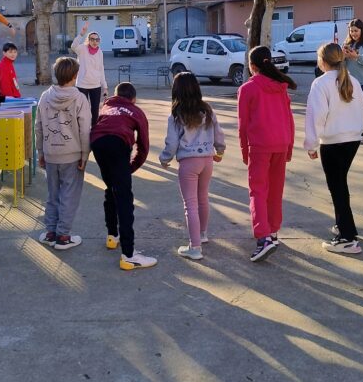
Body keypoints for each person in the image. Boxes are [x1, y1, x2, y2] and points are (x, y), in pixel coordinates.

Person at [304, 43, 363, 255]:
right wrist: (358, 131)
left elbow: (316, 117)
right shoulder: (352, 80)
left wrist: (311, 144)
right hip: (352, 140)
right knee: (340, 184)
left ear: (323, 61)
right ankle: (345, 226)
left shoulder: (321, 83)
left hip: (332, 142)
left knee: (337, 187)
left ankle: (347, 238)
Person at [238, 46, 296, 263]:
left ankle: (263, 238)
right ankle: (272, 232)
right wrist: (289, 147)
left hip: (260, 145)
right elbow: (289, 119)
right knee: (275, 190)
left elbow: (243, 125)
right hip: (281, 142)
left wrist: (245, 151)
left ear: (252, 66)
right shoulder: (281, 87)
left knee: (258, 191)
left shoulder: (247, 89)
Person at [159, 72, 225, 262]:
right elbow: (218, 134)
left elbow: (172, 142)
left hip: (188, 162)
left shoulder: (176, 114)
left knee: (190, 204)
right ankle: (202, 234)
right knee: (203, 198)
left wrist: (165, 158)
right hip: (207, 160)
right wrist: (220, 151)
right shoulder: (207, 110)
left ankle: (194, 247)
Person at [90, 82, 154, 270]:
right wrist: (130, 168)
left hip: (98, 143)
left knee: (111, 188)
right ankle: (129, 255)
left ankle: (112, 236)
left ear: (116, 95)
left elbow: (95, 125)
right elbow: (143, 147)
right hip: (118, 144)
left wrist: (126, 170)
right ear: (133, 99)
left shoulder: (106, 107)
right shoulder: (136, 111)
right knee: (124, 198)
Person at [36, 57, 91, 251]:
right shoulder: (80, 98)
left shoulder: (45, 96)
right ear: (75, 76)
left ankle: (50, 232)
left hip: (51, 153)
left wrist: (40, 151)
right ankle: (63, 236)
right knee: (69, 195)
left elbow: (38, 127)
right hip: (72, 155)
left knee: (53, 194)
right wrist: (85, 155)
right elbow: (85, 130)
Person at [71, 21, 109, 126]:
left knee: (95, 110)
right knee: (82, 109)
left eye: (97, 39)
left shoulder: (100, 52)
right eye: (92, 39)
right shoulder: (82, 49)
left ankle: (94, 130)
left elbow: (101, 70)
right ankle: (82, 128)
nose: (95, 42)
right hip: (82, 85)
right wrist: (81, 34)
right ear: (88, 40)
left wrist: (105, 87)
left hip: (95, 85)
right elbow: (73, 46)